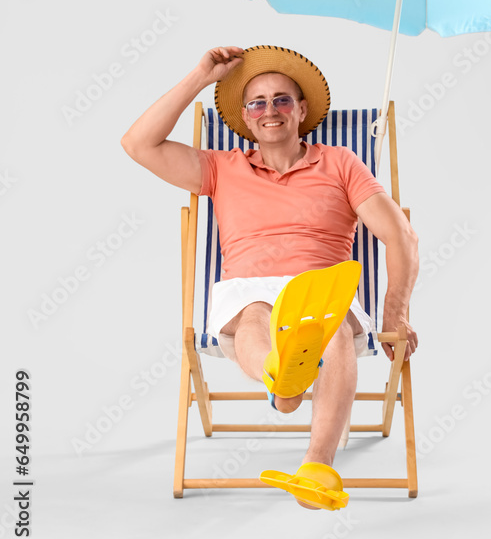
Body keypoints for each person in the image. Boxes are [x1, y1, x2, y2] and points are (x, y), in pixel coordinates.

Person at [121, 44, 419, 501]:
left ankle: (315, 467)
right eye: (257, 102)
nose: (270, 110)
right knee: (256, 313)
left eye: (282, 99)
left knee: (334, 326)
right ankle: (283, 378)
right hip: (249, 287)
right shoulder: (221, 168)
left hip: (322, 288)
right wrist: (200, 77)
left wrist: (395, 314)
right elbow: (137, 144)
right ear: (245, 116)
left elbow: (400, 235)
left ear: (301, 110)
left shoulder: (340, 162)